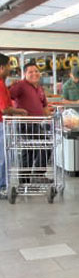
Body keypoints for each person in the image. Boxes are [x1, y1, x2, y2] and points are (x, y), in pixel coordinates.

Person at [0, 54, 28, 198]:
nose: (10, 69)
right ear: (2, 67)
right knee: (3, 157)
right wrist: (19, 111)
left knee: (5, 156)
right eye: (9, 66)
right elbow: (4, 109)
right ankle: (2, 187)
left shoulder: (2, 84)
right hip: (1, 124)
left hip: (3, 124)